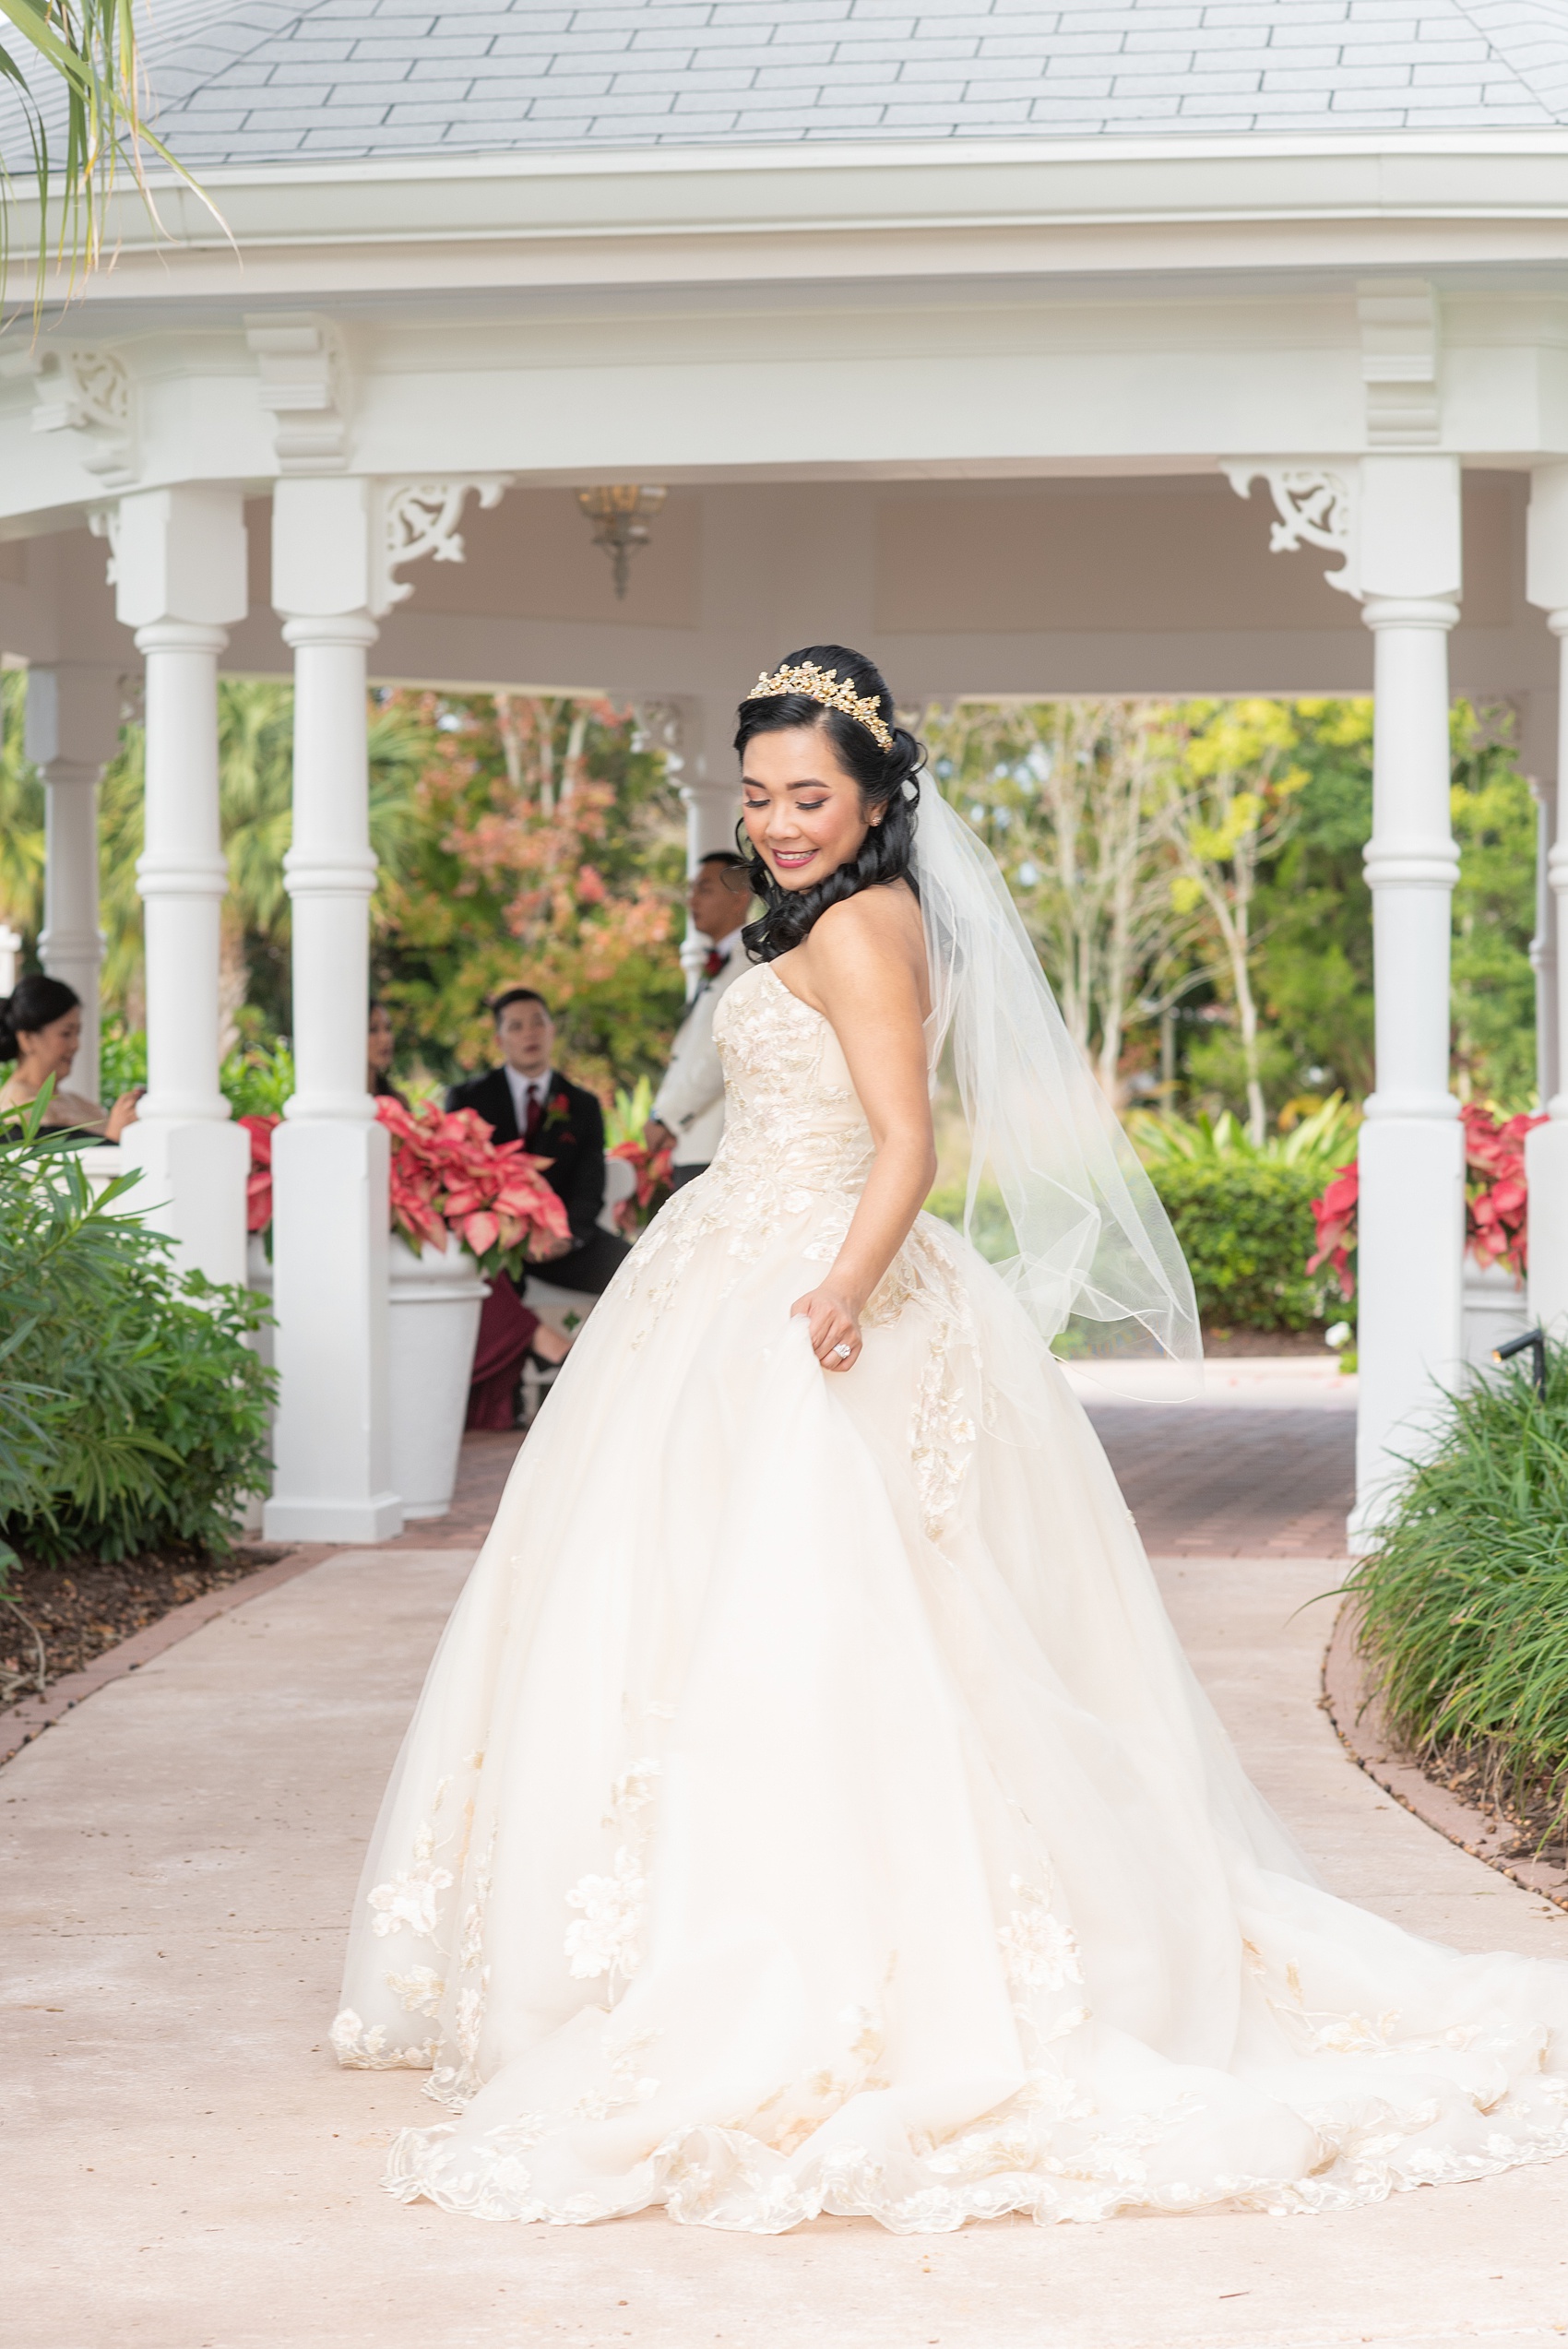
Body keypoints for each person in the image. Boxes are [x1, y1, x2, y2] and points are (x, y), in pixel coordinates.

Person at [336, 645, 1568, 2235]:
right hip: (728, 1275)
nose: (779, 823)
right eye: (758, 797)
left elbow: (905, 1143)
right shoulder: (819, 913)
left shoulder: (863, 922)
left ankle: (836, 1957)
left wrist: (837, 1291)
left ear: (872, 797)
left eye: (809, 797)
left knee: (824, 1624)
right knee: (685, 1608)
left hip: (811, 1288)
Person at [445, 988, 629, 1299]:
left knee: (638, 1270)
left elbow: (589, 1183)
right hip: (495, 1241)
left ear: (551, 1030)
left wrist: (565, 1236)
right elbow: (457, 1177)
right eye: (516, 1027)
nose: (529, 1033)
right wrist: (507, 1233)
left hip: (560, 1239)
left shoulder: (583, 1104)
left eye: (537, 1023)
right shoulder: (467, 1100)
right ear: (499, 1040)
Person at [646, 851, 754, 1189]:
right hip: (694, 1145)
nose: (692, 900)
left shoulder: (751, 963)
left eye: (704, 889)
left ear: (740, 898)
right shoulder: (719, 962)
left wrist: (667, 1118)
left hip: (717, 1143)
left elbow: (718, 1055)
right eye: (692, 889)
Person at [0, 974, 141, 1140]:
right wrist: (113, 1137)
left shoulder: (80, 1103)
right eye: (65, 1034)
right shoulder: (16, 1110)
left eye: (77, 1033)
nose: (76, 1045)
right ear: (27, 1039)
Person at [367, 1001, 408, 1105]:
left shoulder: (398, 1102)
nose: (385, 1039)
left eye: (388, 1028)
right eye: (372, 1030)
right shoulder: (337, 1101)